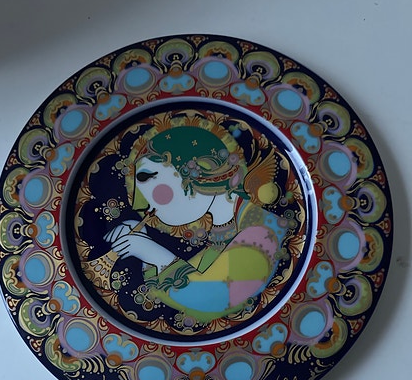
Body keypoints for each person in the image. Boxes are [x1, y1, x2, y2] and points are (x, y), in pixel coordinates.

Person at [104, 115, 289, 323]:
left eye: (147, 177)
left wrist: (152, 252)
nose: (139, 204)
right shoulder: (223, 234)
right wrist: (145, 244)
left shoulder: (262, 234)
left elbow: (213, 299)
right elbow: (179, 300)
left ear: (200, 173)